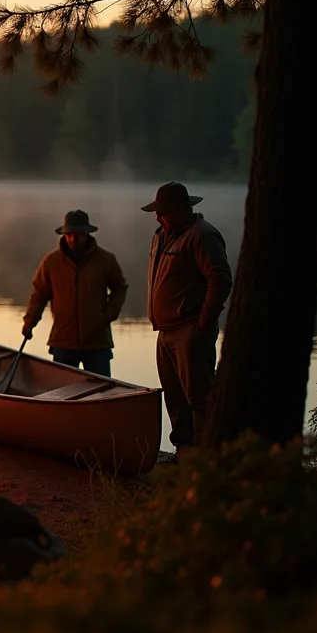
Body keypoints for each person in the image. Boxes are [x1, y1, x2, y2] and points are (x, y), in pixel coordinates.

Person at [142, 182, 233, 452]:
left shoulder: (202, 235)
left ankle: (206, 458)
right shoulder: (161, 235)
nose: (158, 217)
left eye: (163, 212)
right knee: (174, 397)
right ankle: (184, 451)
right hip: (165, 330)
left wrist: (203, 322)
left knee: (199, 398)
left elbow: (220, 279)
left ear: (182, 209)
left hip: (190, 330)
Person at [21, 210, 128, 377]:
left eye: (78, 234)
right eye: (69, 234)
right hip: (63, 341)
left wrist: (107, 315)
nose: (73, 239)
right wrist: (30, 322)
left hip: (97, 341)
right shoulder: (51, 262)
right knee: (61, 393)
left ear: (87, 233)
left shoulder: (105, 260)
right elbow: (39, 294)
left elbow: (120, 288)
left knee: (101, 394)